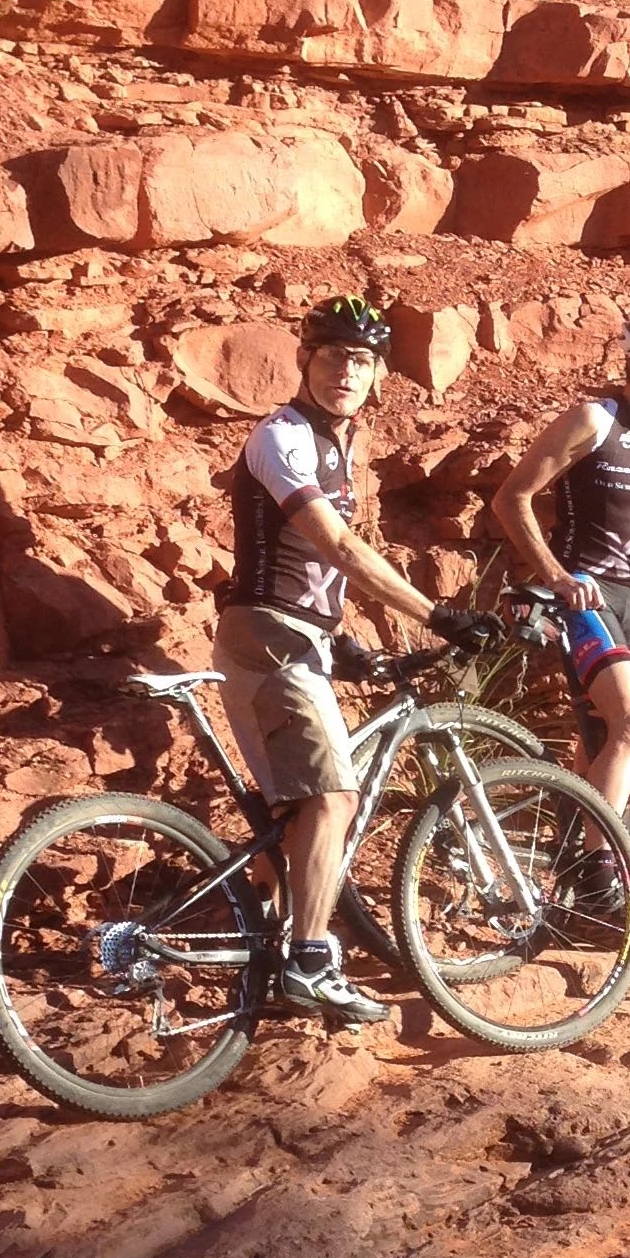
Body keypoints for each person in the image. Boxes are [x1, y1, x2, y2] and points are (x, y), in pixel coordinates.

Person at [218, 292, 492, 1023]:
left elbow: (320, 568)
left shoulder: (338, 443)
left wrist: (341, 641)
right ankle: (311, 961)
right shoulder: (284, 437)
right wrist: (437, 613)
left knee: (296, 816)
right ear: (305, 360)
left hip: (295, 634)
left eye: (362, 361)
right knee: (335, 799)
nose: (347, 371)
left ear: (377, 377)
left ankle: (255, 955)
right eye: (333, 355)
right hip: (269, 637)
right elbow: (336, 545)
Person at [490, 307, 630, 905]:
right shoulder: (592, 420)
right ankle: (603, 877)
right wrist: (559, 577)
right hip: (581, 600)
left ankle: (576, 893)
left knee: (597, 743)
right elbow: (511, 498)